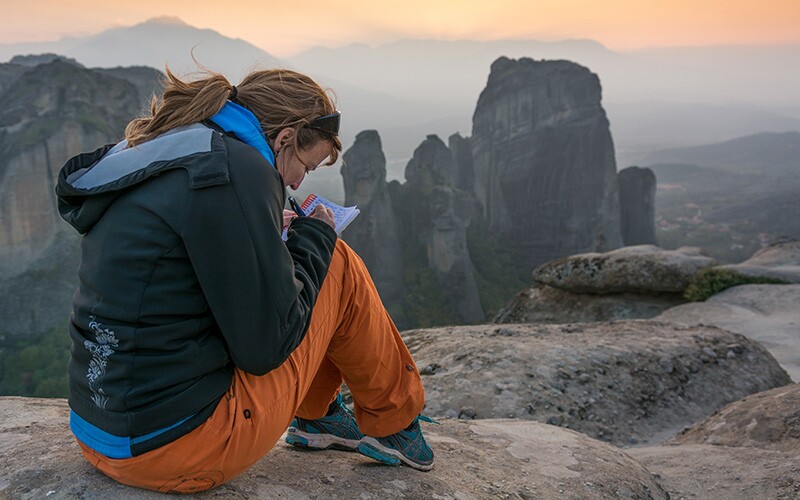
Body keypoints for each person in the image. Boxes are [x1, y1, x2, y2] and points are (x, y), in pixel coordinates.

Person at [55, 67, 433, 494]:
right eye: (304, 166)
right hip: (178, 449)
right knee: (337, 262)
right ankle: (393, 422)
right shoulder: (239, 171)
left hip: (101, 432)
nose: (297, 182)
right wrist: (317, 234)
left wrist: (266, 234)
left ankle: (321, 418)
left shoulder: (173, 148)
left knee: (308, 262)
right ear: (284, 138)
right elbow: (266, 347)